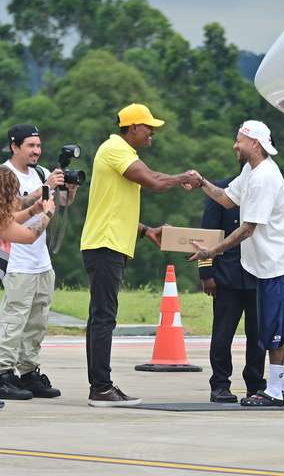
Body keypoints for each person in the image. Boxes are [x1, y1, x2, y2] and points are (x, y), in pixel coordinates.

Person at [80, 103, 199, 407]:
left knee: (100, 317)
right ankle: (101, 388)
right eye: (148, 128)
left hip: (109, 244)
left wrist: (146, 230)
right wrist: (182, 178)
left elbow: (117, 207)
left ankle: (101, 385)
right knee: (103, 318)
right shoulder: (115, 148)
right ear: (132, 128)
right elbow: (155, 181)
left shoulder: (122, 152)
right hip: (105, 246)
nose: (152, 134)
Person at [187, 120, 284, 407]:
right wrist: (202, 183)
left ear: (256, 144)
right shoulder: (251, 172)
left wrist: (210, 252)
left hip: (277, 264)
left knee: (275, 328)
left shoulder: (264, 177)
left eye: (239, 140)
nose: (234, 145)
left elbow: (248, 228)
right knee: (278, 325)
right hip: (265, 265)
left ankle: (275, 389)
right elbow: (226, 199)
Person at [0, 124, 76, 402]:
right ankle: (3, 372)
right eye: (30, 146)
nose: (36, 151)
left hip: (41, 260)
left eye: (39, 146)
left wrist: (68, 187)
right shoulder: (6, 174)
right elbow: (7, 211)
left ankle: (29, 371)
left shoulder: (42, 172)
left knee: (37, 320)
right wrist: (41, 193)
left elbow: (62, 202)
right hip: (17, 260)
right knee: (14, 319)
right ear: (14, 146)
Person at [199, 170, 266, 403]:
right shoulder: (222, 189)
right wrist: (206, 273)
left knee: (258, 335)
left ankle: (256, 383)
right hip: (228, 275)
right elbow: (207, 235)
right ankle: (219, 384)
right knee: (223, 334)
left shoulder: (266, 189)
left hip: (258, 274)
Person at [0, 162, 56, 402]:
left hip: (36, 266)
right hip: (18, 269)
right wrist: (48, 213)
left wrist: (34, 210)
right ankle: (3, 377)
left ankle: (23, 373)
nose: (17, 201)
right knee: (14, 319)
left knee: (34, 319)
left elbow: (13, 217)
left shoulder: (5, 214)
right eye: (14, 195)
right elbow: (28, 235)